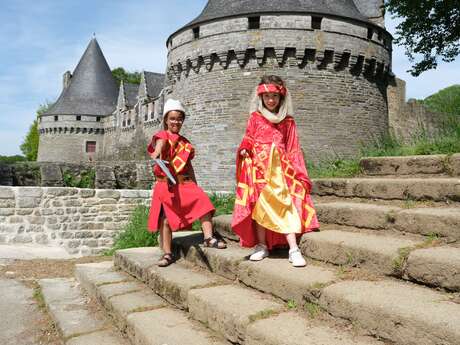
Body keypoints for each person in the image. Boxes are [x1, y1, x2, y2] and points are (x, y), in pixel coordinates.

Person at [232, 75, 319, 267]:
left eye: (274, 96)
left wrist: (299, 173)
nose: (271, 100)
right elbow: (248, 137)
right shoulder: (255, 117)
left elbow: (293, 148)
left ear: (281, 98)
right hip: (258, 169)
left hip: (281, 170)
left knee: (284, 204)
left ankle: (293, 249)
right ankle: (262, 245)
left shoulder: (287, 121)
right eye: (267, 96)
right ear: (260, 97)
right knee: (260, 206)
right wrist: (245, 147)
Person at [147, 99, 226, 267]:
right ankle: (167, 253)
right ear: (166, 120)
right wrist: (157, 152)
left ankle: (208, 238)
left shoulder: (185, 143)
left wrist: (196, 185)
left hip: (182, 182)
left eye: (179, 118)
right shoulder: (162, 135)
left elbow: (188, 166)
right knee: (166, 220)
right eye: (173, 118)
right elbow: (160, 144)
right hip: (165, 184)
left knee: (203, 201)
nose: (176, 121)